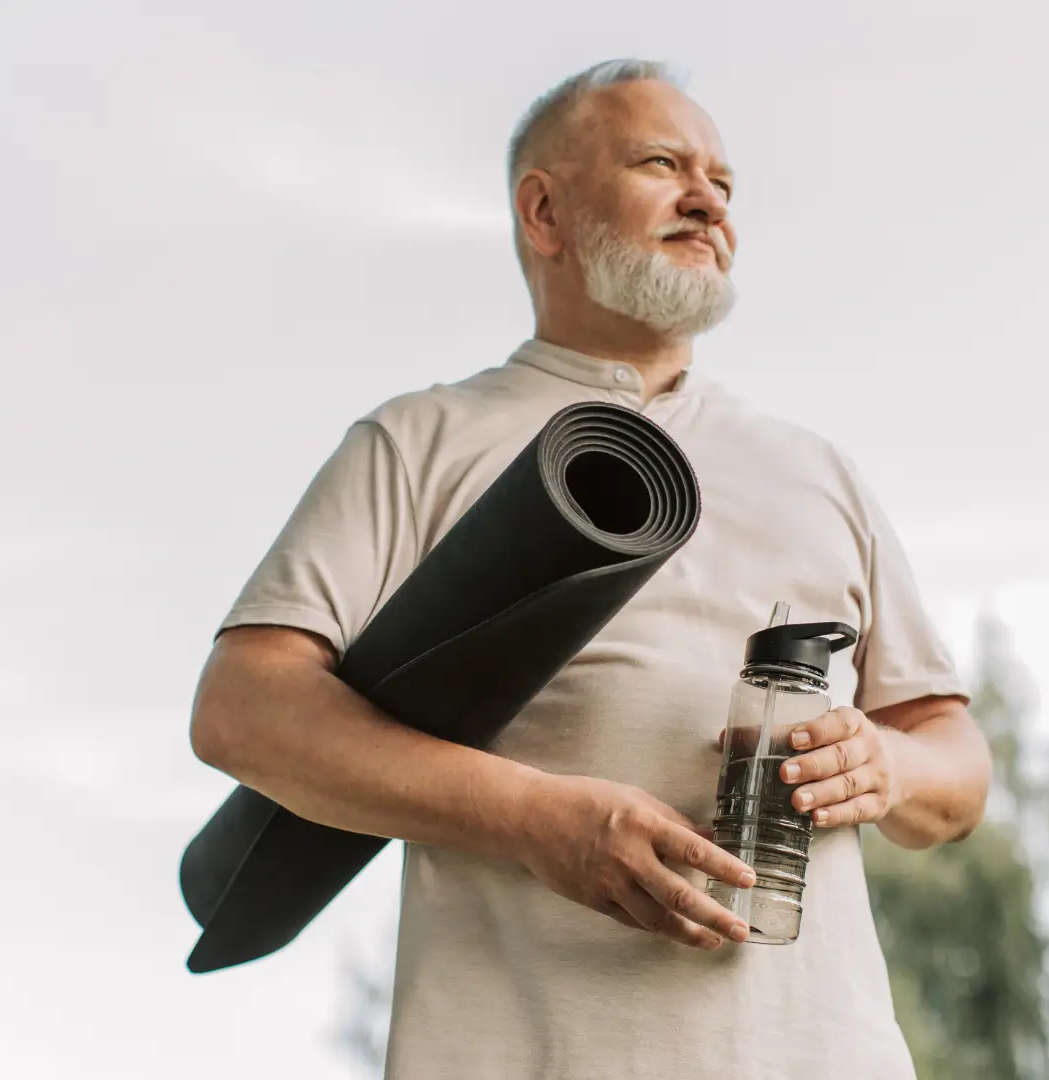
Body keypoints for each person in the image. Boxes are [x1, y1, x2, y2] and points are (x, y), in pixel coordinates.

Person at [189, 58, 993, 1080]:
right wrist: (530, 817)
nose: (709, 201)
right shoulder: (418, 441)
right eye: (663, 163)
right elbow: (242, 709)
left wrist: (891, 768)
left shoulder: (817, 469)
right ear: (545, 211)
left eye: (725, 184)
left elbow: (952, 761)